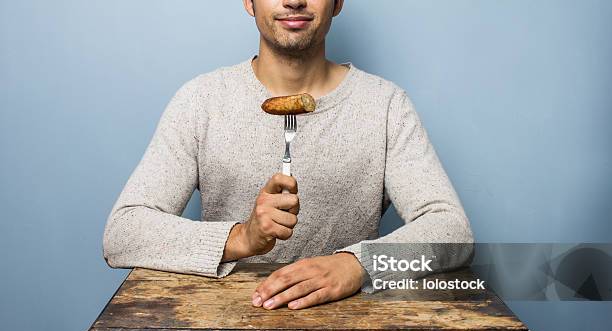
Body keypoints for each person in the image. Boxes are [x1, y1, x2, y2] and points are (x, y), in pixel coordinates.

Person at [102, 0, 474, 311]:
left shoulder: (386, 105)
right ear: (249, 1)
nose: (294, 0)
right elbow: (123, 233)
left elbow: (453, 232)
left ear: (338, 2)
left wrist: (357, 264)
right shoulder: (200, 101)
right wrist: (241, 238)